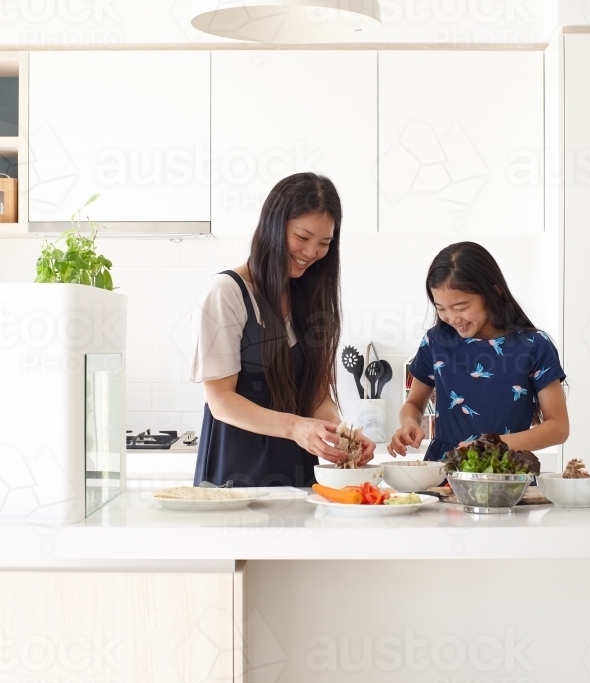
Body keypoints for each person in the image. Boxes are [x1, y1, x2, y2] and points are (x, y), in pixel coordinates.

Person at [190, 172, 375, 487]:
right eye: (302, 237)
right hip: (236, 471)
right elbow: (220, 400)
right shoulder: (228, 291)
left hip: (297, 471)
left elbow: (317, 396)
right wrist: (295, 428)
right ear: (273, 225)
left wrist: (343, 433)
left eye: (324, 243)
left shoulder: (310, 296)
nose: (311, 252)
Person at [388, 241, 569, 460]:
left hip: (505, 471)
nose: (452, 318)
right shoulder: (436, 341)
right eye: (441, 308)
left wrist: (490, 445)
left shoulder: (534, 345)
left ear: (493, 293)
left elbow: (558, 427)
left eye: (461, 307)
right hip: (443, 469)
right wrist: (409, 423)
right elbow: (414, 404)